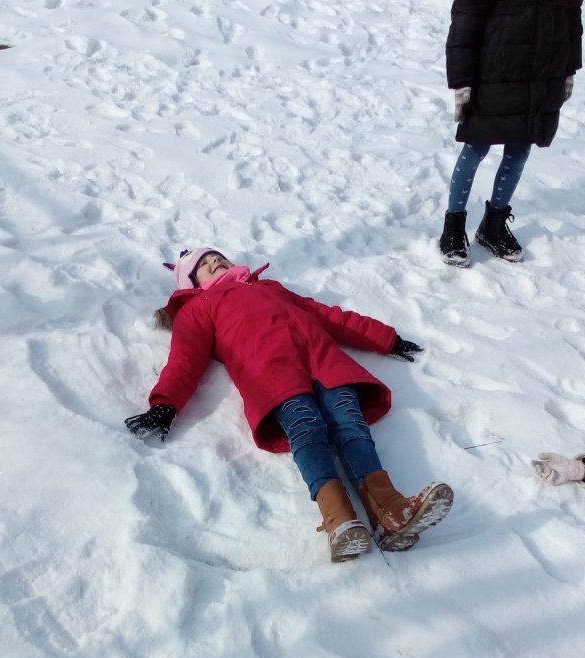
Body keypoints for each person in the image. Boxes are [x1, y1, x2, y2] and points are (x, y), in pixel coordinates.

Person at [125, 248, 454, 562]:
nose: (214, 263)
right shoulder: (198, 308)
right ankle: (338, 519)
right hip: (272, 375)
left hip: (324, 362)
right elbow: (185, 360)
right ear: (192, 283)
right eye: (203, 265)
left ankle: (390, 511)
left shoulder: (270, 287)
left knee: (350, 423)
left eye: (217, 257)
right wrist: (165, 404)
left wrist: (385, 338)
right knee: (306, 429)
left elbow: (328, 316)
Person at [439, 0, 583, 267]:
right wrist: (462, 79)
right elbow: (466, 17)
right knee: (476, 147)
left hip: (542, 74)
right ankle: (453, 228)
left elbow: (572, 14)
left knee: (519, 148)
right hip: (495, 72)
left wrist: (569, 68)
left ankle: (493, 226)